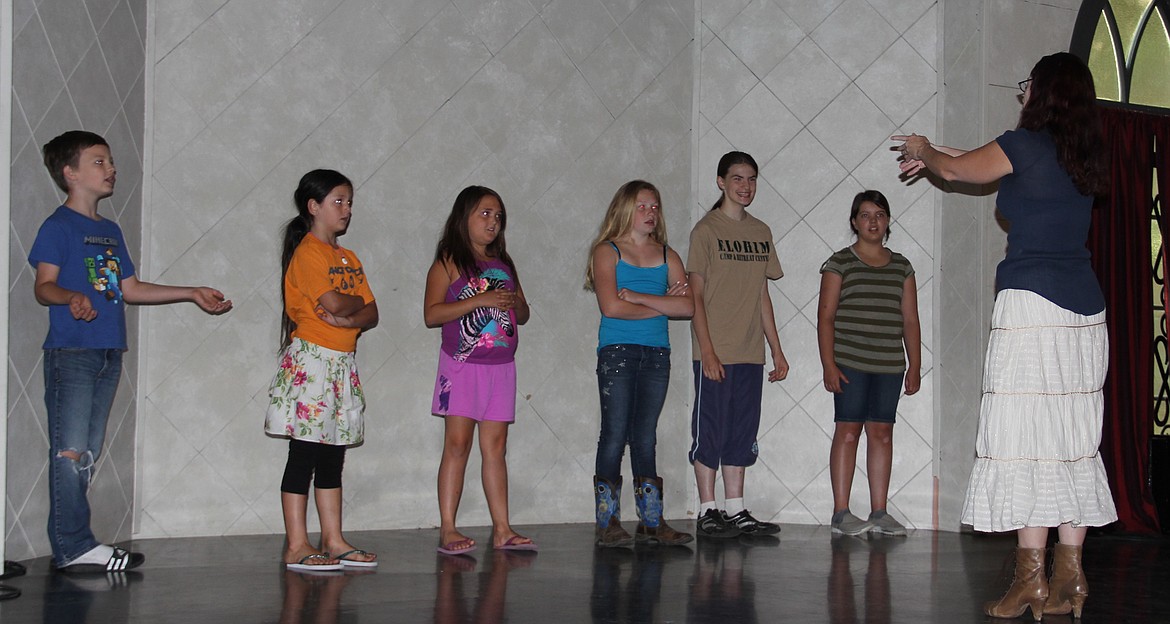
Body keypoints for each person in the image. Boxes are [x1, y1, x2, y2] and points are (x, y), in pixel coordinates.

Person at [894, 51, 1114, 620]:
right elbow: (972, 158)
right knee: (1070, 442)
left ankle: (1030, 581)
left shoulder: (1023, 147)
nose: (1021, 93)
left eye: (1026, 85)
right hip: (1086, 313)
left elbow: (961, 169)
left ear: (1041, 91)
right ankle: (1070, 580)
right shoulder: (1082, 156)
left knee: (1022, 439)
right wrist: (940, 152)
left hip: (1032, 306)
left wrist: (923, 151)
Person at [30, 130, 233, 573]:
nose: (111, 169)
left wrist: (191, 291)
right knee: (69, 451)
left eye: (110, 161)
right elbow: (43, 286)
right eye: (99, 162)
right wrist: (70, 298)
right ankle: (72, 545)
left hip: (108, 350)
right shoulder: (58, 226)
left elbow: (130, 289)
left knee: (85, 452)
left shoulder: (110, 231)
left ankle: (74, 545)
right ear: (70, 174)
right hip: (72, 352)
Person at [265, 169, 379, 572]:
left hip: (341, 365)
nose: (346, 209)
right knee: (305, 454)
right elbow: (335, 302)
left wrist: (350, 315)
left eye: (349, 202)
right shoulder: (309, 253)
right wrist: (351, 309)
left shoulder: (348, 257)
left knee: (333, 456)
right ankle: (297, 544)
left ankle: (333, 540)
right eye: (338, 201)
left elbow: (372, 311)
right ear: (314, 207)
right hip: (313, 363)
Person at [424, 185, 536, 555]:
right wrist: (481, 300)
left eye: (498, 216)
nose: (493, 222)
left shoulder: (503, 264)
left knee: (496, 447)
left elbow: (523, 314)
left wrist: (514, 304)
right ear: (464, 218)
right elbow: (432, 314)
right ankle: (448, 527)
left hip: (501, 368)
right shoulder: (448, 261)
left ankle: (502, 528)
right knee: (457, 445)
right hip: (462, 366)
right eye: (485, 214)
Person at [584, 180, 695, 547]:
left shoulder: (669, 255)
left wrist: (639, 297)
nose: (650, 213)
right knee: (615, 434)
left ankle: (651, 521)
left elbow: (688, 306)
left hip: (656, 355)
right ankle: (608, 523)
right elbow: (611, 307)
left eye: (655, 206)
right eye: (642, 206)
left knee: (645, 437)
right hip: (618, 352)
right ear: (625, 209)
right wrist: (662, 301)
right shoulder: (607, 251)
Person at [688, 151, 789, 538]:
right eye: (737, 179)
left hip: (750, 352)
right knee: (709, 430)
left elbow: (762, 293)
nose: (745, 187)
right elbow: (694, 295)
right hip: (715, 349)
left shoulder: (761, 232)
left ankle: (735, 509)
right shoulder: (706, 231)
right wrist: (708, 351)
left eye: (751, 179)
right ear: (720, 182)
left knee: (742, 431)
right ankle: (707, 509)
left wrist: (776, 349)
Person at [817, 190, 921, 537]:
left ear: (888, 221)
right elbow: (826, 318)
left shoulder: (902, 266)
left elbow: (910, 321)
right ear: (854, 222)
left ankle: (880, 512)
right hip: (850, 363)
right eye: (865, 215)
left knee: (882, 434)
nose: (873, 221)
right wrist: (829, 365)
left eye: (879, 214)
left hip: (889, 365)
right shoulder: (839, 263)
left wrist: (915, 365)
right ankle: (841, 513)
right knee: (847, 433)